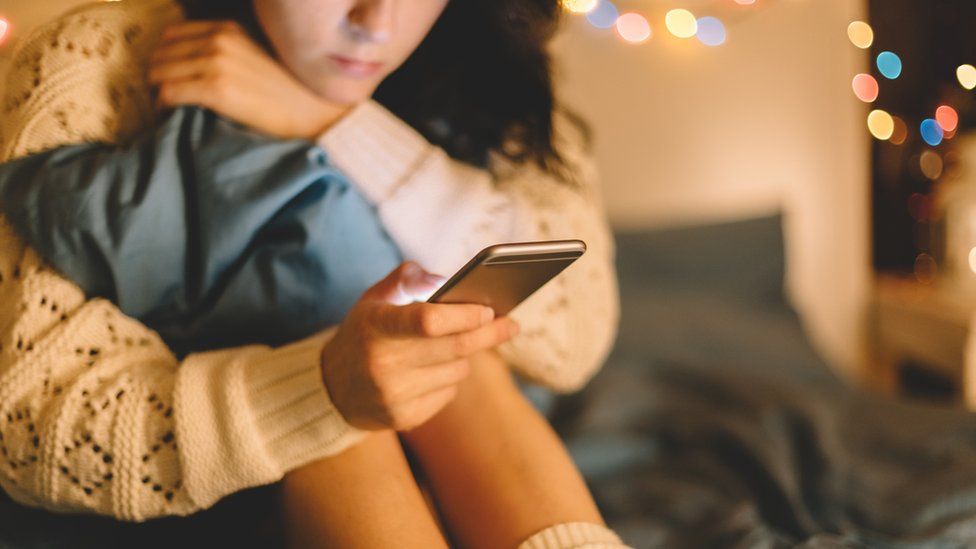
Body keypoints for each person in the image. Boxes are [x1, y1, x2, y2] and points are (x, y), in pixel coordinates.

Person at [0, 0, 623, 547]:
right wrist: (321, 387)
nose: (376, 22)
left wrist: (328, 121)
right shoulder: (99, 57)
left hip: (466, 441)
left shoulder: (498, 62)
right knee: (353, 406)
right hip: (226, 469)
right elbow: (26, 426)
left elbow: (576, 338)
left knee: (447, 344)